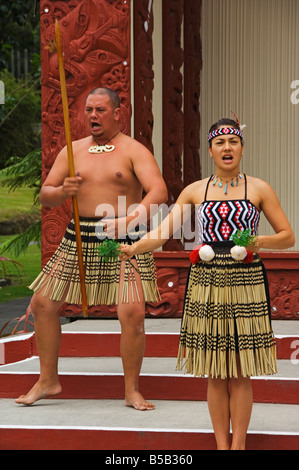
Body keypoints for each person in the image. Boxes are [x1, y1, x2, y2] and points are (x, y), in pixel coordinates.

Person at [120, 118, 295, 448]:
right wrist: (132, 247)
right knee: (216, 370)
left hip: (245, 280)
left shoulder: (259, 188)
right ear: (210, 150)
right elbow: (163, 232)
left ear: (242, 148)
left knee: (240, 370)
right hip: (206, 280)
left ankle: (238, 445)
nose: (227, 147)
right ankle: (220, 444)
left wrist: (257, 242)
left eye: (233, 141)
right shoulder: (194, 191)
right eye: (220, 142)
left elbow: (287, 237)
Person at [15, 87, 168, 411]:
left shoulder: (133, 150)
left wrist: (131, 219)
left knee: (133, 313)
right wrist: (62, 190)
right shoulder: (73, 151)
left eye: (100, 110)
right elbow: (46, 195)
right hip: (79, 237)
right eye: (89, 110)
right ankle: (48, 380)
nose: (93, 116)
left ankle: (131, 390)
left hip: (124, 237)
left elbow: (158, 190)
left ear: (117, 113)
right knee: (42, 304)